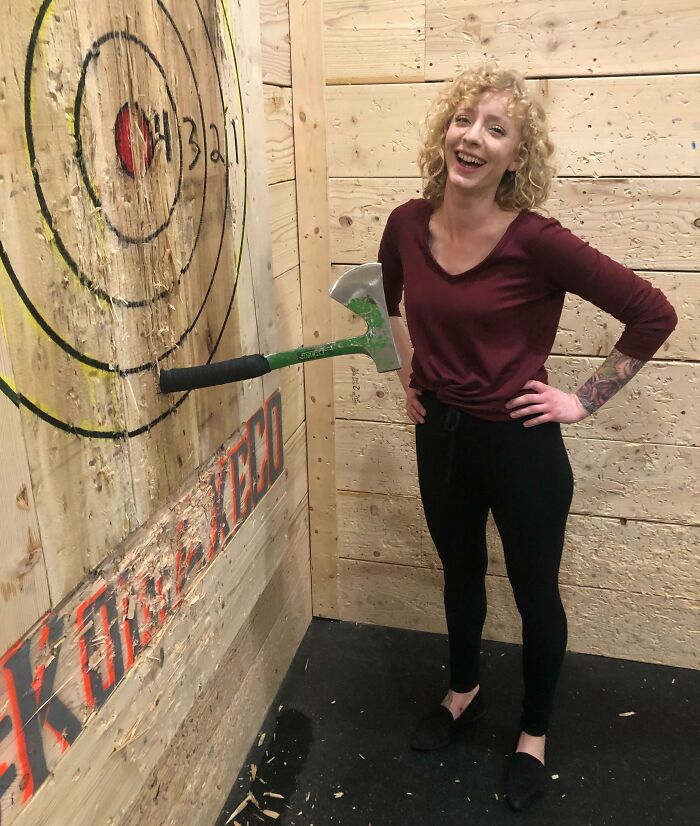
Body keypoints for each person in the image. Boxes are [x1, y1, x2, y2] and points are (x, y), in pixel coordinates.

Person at [377, 63, 678, 813]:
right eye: (464, 120)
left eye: (496, 129)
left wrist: (583, 400)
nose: (472, 138)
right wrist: (406, 375)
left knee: (536, 592)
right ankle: (463, 691)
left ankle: (533, 735)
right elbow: (377, 301)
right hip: (440, 438)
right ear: (445, 130)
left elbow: (654, 315)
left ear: (517, 156)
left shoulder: (538, 241)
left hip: (520, 449)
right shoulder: (407, 224)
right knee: (459, 575)